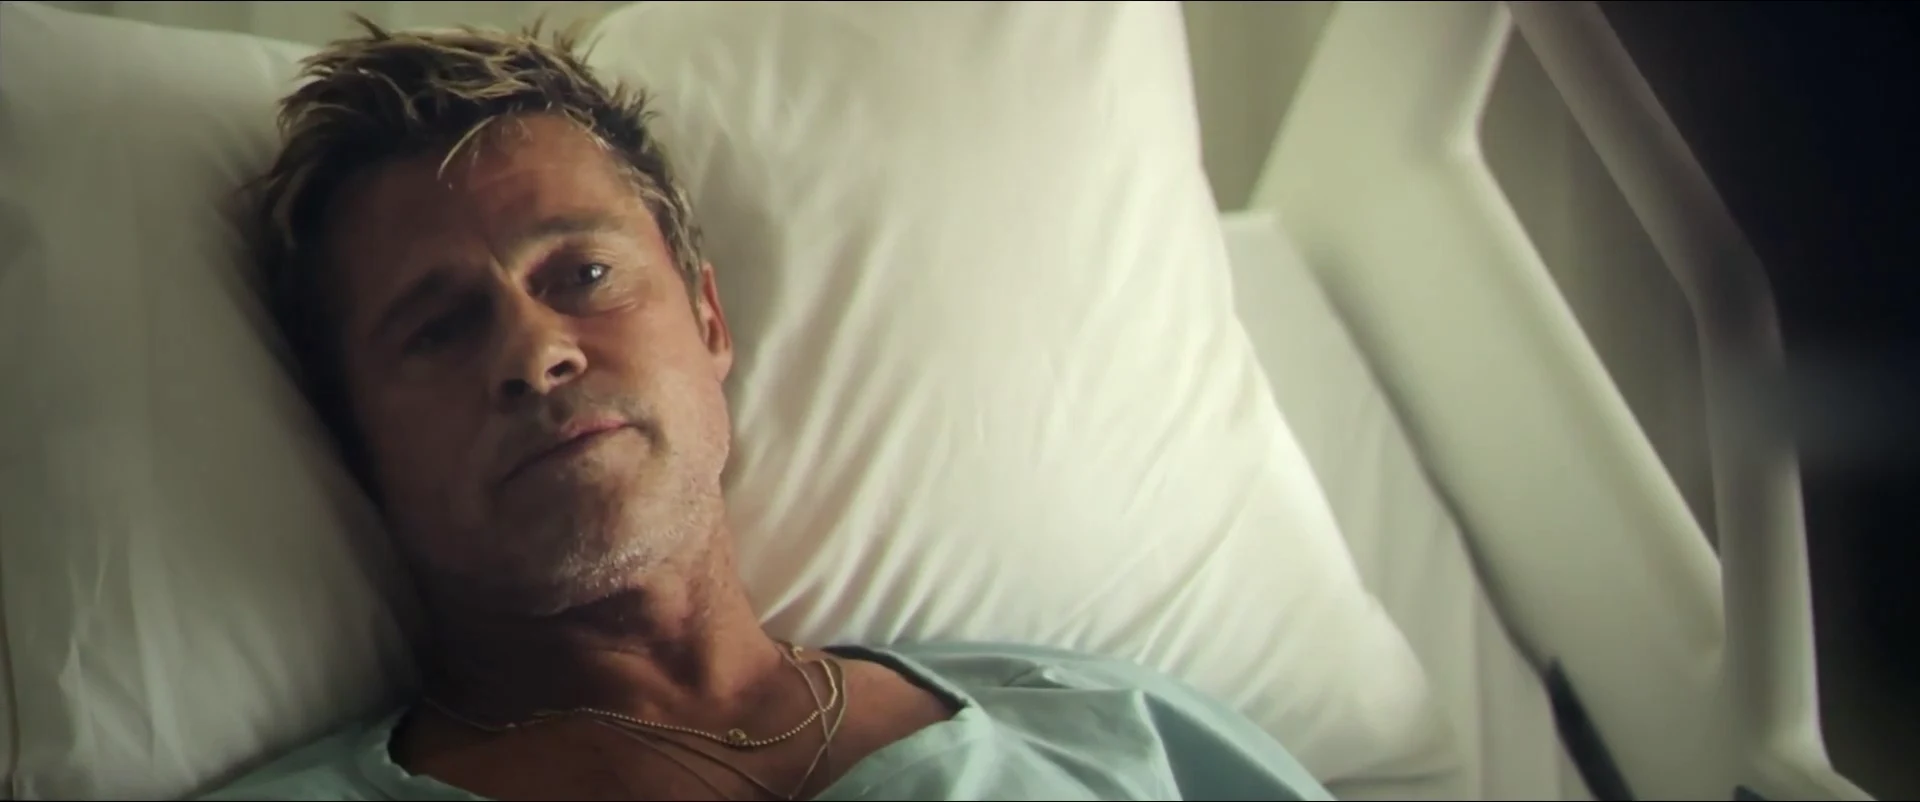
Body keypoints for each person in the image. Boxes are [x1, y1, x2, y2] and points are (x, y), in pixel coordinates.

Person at [200, 17, 1334, 802]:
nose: (536, 351)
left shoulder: (1107, 727)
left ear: (707, 318)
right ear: (356, 439)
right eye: (438, 327)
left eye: (583, 275)